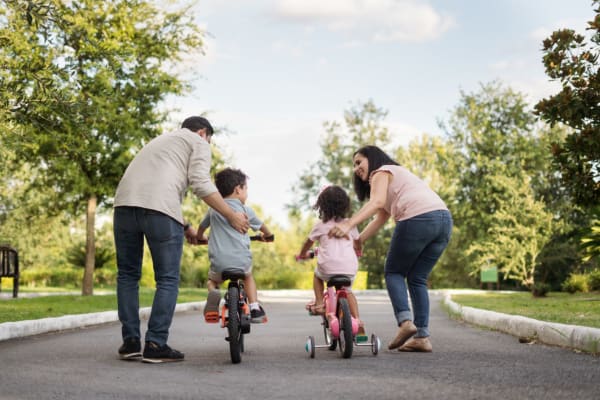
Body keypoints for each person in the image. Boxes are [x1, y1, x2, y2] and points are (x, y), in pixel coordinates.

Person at [113, 116, 249, 363]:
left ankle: (130, 342)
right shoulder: (198, 142)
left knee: (127, 275)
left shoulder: (160, 141)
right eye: (209, 138)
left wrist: (186, 226)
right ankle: (155, 343)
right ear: (203, 132)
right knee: (166, 278)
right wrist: (231, 215)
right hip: (160, 211)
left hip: (123, 206)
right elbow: (200, 182)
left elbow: (156, 189)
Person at [329, 145, 452, 352]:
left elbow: (376, 203)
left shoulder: (381, 171)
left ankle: (405, 322)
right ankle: (422, 337)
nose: (356, 168)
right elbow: (382, 215)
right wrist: (359, 239)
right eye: (354, 165)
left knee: (394, 271)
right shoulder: (399, 175)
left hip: (417, 218)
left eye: (359, 162)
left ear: (373, 158)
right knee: (417, 278)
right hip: (443, 220)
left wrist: (348, 225)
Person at [196, 167, 273, 324]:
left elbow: (201, 228)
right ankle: (254, 307)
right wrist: (268, 236)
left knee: (212, 280)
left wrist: (200, 238)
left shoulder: (213, 210)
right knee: (248, 276)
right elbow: (265, 229)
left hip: (219, 263)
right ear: (238, 189)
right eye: (246, 189)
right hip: (241, 262)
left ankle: (214, 292)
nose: (246, 193)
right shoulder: (246, 211)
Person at [296, 185, 365, 335]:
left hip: (328, 269)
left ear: (322, 206)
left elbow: (308, 243)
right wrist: (358, 251)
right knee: (348, 291)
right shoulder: (349, 224)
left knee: (317, 275)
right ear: (345, 205)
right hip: (348, 268)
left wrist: (302, 254)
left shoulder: (320, 226)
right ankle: (358, 321)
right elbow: (358, 242)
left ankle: (320, 303)